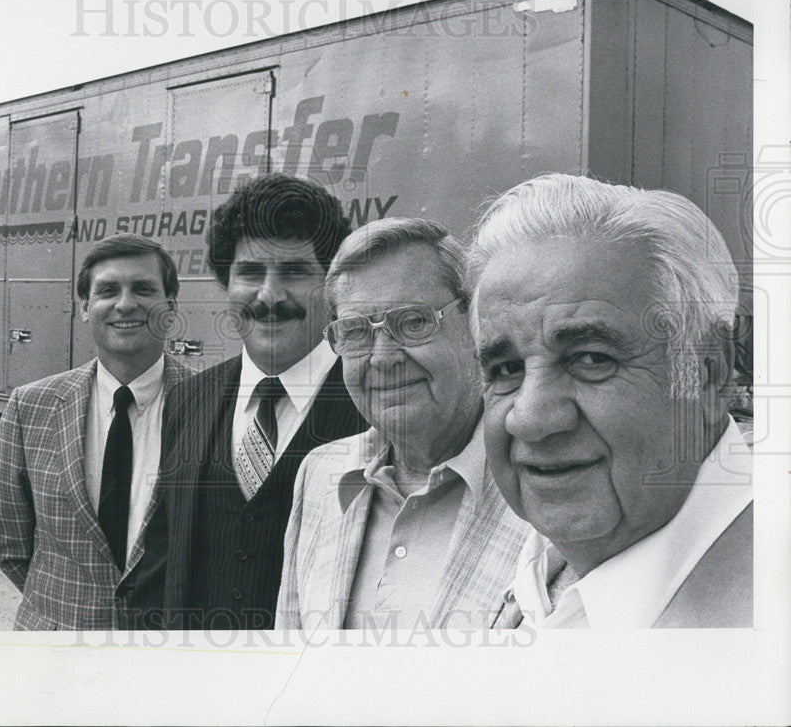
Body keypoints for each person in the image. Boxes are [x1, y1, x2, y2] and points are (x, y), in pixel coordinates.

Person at [470, 174, 752, 629]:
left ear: (709, 373)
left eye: (591, 359)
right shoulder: (539, 565)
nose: (530, 418)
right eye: (507, 369)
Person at [276, 218, 529, 630]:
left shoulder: (540, 483)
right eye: (356, 331)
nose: (382, 358)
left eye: (413, 323)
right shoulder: (321, 474)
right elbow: (289, 661)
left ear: (475, 324)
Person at [148, 173, 367, 631]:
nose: (270, 296)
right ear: (226, 284)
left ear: (333, 287)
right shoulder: (189, 398)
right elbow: (161, 561)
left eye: (294, 272)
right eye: (250, 273)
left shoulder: (371, 404)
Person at [0, 235, 190, 630]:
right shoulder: (30, 407)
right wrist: (62, 604)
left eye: (144, 289)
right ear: (84, 308)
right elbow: (5, 538)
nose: (125, 304)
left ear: (171, 308)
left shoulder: (213, 404)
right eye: (108, 291)